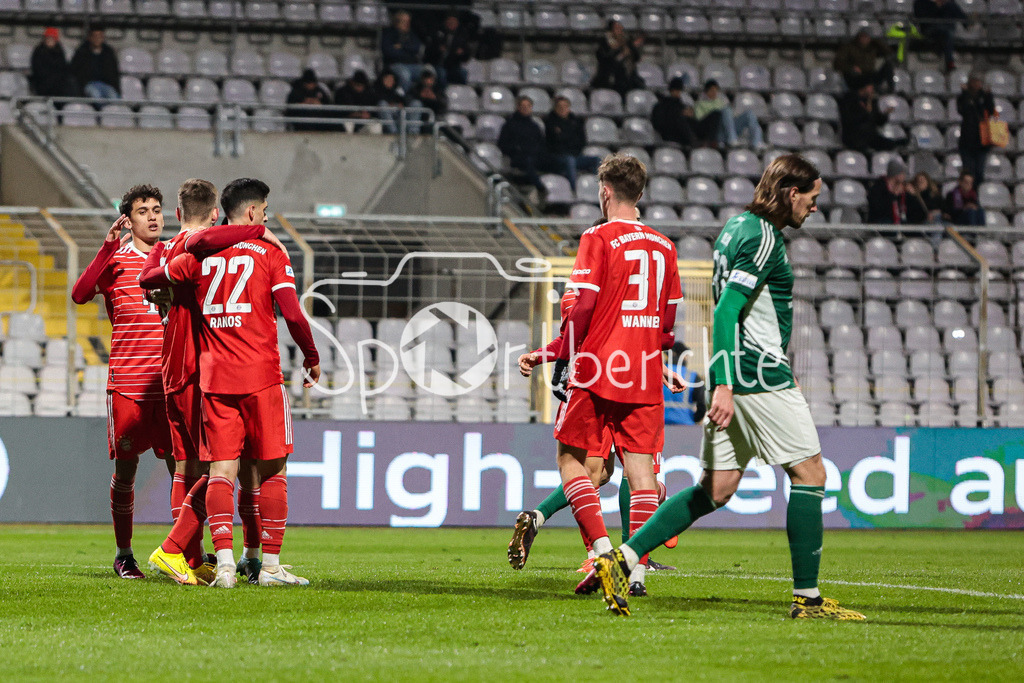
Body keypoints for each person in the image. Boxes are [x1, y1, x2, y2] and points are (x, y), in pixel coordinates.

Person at [592, 154, 866, 621]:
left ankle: (622, 560)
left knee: (715, 489)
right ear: (790, 193)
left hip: (746, 374)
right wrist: (723, 384)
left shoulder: (737, 227)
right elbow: (725, 313)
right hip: (757, 379)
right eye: (813, 199)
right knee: (811, 475)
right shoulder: (763, 237)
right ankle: (808, 600)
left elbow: (741, 311)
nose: (815, 208)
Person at [149, 178, 320, 588]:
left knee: (221, 470)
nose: (265, 216)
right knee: (272, 471)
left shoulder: (199, 255)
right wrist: (312, 358)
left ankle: (225, 565)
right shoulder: (270, 252)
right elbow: (294, 315)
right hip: (261, 375)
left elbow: (153, 278)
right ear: (251, 212)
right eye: (263, 210)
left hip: (213, 379)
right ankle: (270, 567)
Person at [524, 155, 683, 597]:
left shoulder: (598, 237)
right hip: (644, 373)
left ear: (605, 192)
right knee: (641, 474)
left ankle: (599, 551)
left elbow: (584, 309)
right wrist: (656, 359)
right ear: (641, 193)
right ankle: (636, 572)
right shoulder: (666, 247)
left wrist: (558, 352)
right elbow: (666, 325)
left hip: (598, 369)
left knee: (572, 461)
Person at [71, 185, 173, 579]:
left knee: (181, 468)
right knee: (127, 470)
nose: (152, 216)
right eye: (143, 210)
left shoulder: (174, 256)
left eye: (157, 209)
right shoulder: (115, 259)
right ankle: (124, 554)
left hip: (169, 382)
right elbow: (80, 295)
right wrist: (105, 248)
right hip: (128, 382)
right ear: (127, 220)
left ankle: (186, 552)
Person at [543, 96, 601, 191]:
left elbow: (581, 141)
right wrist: (568, 138)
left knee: (597, 160)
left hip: (575, 155)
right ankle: (574, 190)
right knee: (570, 161)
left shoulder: (576, 122)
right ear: (555, 108)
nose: (562, 109)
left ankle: (597, 189)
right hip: (556, 157)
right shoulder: (550, 122)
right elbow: (553, 142)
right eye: (559, 106)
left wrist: (563, 135)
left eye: (565, 106)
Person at [497, 95, 547, 194]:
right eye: (523, 106)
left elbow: (542, 143)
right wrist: (517, 150)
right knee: (528, 161)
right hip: (517, 157)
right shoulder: (509, 125)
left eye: (528, 106)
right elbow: (502, 144)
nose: (525, 108)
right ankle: (540, 187)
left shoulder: (534, 126)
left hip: (535, 156)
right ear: (518, 107)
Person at [695, 80, 764, 150]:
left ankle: (756, 142)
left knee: (749, 114)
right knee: (726, 110)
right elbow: (701, 122)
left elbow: (731, 117)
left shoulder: (720, 102)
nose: (714, 93)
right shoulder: (700, 104)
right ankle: (732, 140)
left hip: (730, 128)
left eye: (716, 90)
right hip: (718, 132)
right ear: (707, 91)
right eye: (712, 90)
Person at [839, 83, 905, 153]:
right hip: (855, 137)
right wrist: (866, 112)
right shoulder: (849, 99)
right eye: (870, 86)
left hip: (870, 136)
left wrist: (885, 114)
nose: (872, 89)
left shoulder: (871, 102)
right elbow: (851, 120)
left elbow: (878, 122)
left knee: (893, 144)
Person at [956, 74, 996, 183]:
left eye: (978, 81)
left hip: (982, 142)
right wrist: (965, 94)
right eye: (974, 81)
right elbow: (962, 110)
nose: (976, 84)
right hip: (967, 141)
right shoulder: (963, 97)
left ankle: (976, 196)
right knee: (968, 173)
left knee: (979, 173)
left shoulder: (984, 96)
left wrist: (989, 96)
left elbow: (991, 111)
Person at [913, 0, 968, 71]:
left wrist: (942, 4)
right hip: (930, 28)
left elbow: (959, 15)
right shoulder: (920, 2)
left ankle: (969, 26)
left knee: (950, 5)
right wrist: (937, 6)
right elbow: (922, 18)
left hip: (946, 28)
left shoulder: (948, 3)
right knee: (947, 33)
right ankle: (949, 61)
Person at [592, 20, 644, 95]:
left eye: (621, 28)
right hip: (610, 80)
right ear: (611, 31)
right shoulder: (605, 44)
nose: (620, 30)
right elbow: (608, 60)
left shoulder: (626, 43)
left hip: (627, 80)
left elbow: (636, 58)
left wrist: (633, 47)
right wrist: (623, 53)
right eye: (617, 28)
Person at [423, 13, 473, 88]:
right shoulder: (437, 33)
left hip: (452, 65)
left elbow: (466, 55)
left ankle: (462, 93)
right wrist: (438, 49)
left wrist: (461, 53)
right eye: (449, 22)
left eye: (453, 23)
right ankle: (443, 93)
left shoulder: (461, 36)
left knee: (463, 73)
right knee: (442, 73)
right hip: (437, 64)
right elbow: (428, 50)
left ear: (457, 24)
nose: (451, 24)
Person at [70, 26, 120, 99]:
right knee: (96, 96)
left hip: (106, 84)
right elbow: (75, 71)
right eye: (95, 36)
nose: (97, 39)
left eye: (100, 36)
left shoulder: (108, 52)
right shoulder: (82, 52)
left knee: (113, 96)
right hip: (89, 84)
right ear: (90, 37)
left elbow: (114, 72)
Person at [663, 343, 706, 425]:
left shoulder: (656, 374)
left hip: (659, 425)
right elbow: (702, 405)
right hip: (685, 425)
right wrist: (694, 419)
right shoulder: (692, 377)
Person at [381, 10, 423, 93]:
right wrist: (408, 51)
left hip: (412, 64)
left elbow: (416, 48)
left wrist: (402, 46)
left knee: (427, 72)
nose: (407, 24)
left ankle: (420, 95)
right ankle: (402, 98)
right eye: (404, 21)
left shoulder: (411, 35)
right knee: (405, 75)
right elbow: (389, 52)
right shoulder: (389, 34)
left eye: (408, 21)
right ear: (397, 22)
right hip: (395, 64)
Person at [30, 27, 78, 98]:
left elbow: (64, 68)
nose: (50, 40)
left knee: (71, 82)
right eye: (48, 38)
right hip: (44, 83)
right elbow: (39, 71)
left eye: (52, 38)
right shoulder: (39, 52)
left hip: (59, 83)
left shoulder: (59, 51)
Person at [867, 158, 910, 224]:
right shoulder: (879, 187)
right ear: (896, 175)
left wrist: (913, 194)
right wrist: (893, 196)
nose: (904, 176)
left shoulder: (903, 187)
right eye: (902, 174)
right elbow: (879, 209)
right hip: (881, 220)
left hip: (899, 219)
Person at [374, 69, 405, 134]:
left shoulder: (397, 90)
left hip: (395, 113)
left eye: (392, 79)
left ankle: (403, 133)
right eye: (388, 79)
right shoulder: (376, 89)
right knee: (382, 104)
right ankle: (394, 133)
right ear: (383, 79)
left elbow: (402, 101)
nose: (390, 81)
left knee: (402, 111)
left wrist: (397, 104)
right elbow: (377, 101)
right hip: (381, 116)